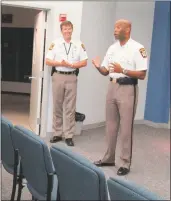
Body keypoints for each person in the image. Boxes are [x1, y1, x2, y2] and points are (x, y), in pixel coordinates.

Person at [92, 19, 148, 175]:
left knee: (125, 128)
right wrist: (97, 66)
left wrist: (122, 69)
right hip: (112, 87)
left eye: (118, 27)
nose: (115, 30)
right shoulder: (112, 48)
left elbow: (142, 74)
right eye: (114, 27)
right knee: (110, 126)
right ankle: (108, 158)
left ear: (128, 29)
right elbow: (105, 71)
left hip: (128, 88)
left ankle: (125, 163)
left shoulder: (138, 48)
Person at [45, 21, 88, 146]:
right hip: (58, 76)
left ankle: (69, 135)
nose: (67, 31)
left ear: (72, 30)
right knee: (57, 106)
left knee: (70, 107)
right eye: (65, 29)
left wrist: (73, 65)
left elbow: (84, 62)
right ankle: (57, 133)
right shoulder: (56, 44)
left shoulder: (79, 44)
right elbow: (48, 60)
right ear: (61, 30)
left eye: (69, 29)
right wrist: (60, 63)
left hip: (72, 77)